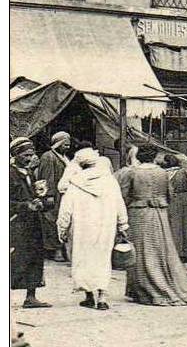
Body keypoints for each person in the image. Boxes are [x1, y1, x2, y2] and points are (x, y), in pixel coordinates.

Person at [118, 144, 187, 306]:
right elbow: (169, 195)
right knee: (162, 250)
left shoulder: (133, 173)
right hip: (160, 214)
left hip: (138, 213)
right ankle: (166, 285)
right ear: (154, 157)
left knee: (140, 252)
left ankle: (143, 289)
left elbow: (124, 196)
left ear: (139, 157)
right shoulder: (162, 173)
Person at [56, 148, 130, 311]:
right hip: (105, 226)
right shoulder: (110, 181)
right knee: (103, 259)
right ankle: (102, 297)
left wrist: (62, 229)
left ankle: (89, 295)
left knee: (83, 259)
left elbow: (66, 209)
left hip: (82, 228)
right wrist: (123, 225)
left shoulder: (74, 183)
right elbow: (119, 204)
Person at [10, 137, 50, 309]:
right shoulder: (9, 174)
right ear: (15, 155)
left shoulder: (30, 173)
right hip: (15, 223)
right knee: (13, 259)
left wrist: (41, 202)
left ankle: (31, 296)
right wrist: (24, 206)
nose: (29, 158)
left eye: (31, 154)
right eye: (25, 155)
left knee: (34, 256)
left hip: (32, 223)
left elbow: (34, 195)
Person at [37, 131, 72, 261]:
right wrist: (49, 195)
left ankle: (61, 248)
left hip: (63, 195)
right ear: (57, 144)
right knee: (51, 221)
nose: (67, 148)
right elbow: (47, 177)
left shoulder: (64, 157)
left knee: (62, 220)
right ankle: (54, 250)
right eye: (65, 145)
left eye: (69, 145)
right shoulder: (48, 157)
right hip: (53, 195)